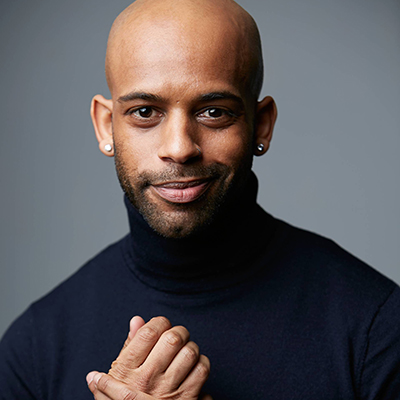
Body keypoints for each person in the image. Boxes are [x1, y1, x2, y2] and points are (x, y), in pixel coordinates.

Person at [1, 0, 399, 399]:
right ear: (107, 126)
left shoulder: (377, 328)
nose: (179, 148)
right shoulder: (35, 347)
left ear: (261, 124)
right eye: (144, 111)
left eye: (213, 111)